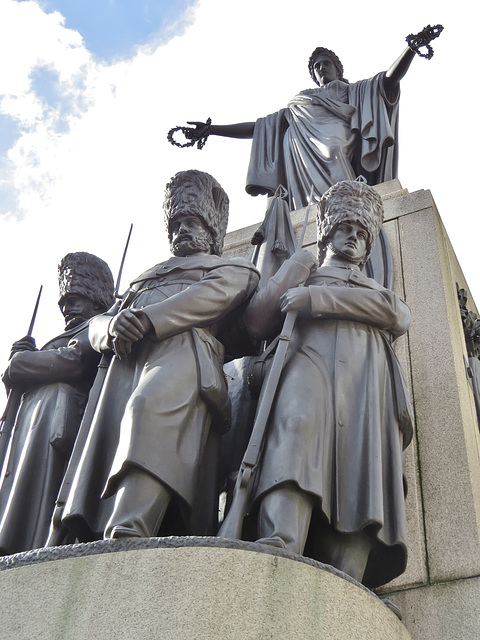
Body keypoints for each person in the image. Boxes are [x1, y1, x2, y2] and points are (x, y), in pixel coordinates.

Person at [58, 170, 260, 542]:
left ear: (211, 230)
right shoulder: (142, 278)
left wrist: (148, 320)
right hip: (123, 365)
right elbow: (93, 325)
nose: (182, 229)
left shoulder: (233, 269)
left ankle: (130, 526)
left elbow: (210, 298)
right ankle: (100, 528)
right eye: (176, 222)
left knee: (147, 412)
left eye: (192, 221)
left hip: (184, 354)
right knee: (113, 437)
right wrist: (112, 326)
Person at [243, 179, 413, 589]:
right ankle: (280, 538)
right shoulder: (306, 270)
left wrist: (315, 299)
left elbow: (397, 314)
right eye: (344, 230)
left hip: (366, 381)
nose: (353, 239)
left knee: (359, 466)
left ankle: (347, 573)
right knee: (295, 433)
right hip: (308, 361)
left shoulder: (375, 289)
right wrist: (296, 271)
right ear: (327, 233)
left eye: (361, 234)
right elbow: (255, 321)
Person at [181, 26, 442, 212]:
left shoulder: (352, 90)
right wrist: (212, 129)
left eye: (326, 62)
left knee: (333, 150)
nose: (321, 67)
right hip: (299, 150)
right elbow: (260, 127)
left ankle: (350, 205)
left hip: (336, 137)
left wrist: (410, 49)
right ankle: (315, 211)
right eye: (316, 66)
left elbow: (387, 81)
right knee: (308, 199)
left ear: (338, 68)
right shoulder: (302, 101)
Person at [0, 253, 114, 555]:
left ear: (95, 298)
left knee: (43, 491)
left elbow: (74, 362)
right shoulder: (63, 335)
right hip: (34, 425)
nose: (67, 307)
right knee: (22, 488)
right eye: (64, 302)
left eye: (75, 299)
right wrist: (22, 360)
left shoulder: (97, 325)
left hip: (61, 422)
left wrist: (20, 364)